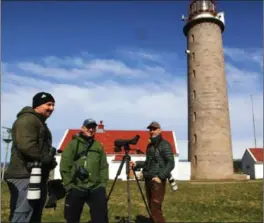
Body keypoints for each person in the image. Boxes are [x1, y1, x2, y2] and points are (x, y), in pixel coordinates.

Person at [4, 92, 57, 223]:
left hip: (36, 174)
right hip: (23, 175)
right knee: (23, 214)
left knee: (34, 214)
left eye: (53, 105)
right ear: (38, 105)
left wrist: (50, 161)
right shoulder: (27, 120)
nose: (52, 108)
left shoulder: (40, 123)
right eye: (48, 104)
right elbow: (26, 145)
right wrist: (44, 158)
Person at [60, 119, 109, 223]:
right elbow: (64, 166)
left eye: (93, 127)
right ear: (82, 128)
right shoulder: (73, 144)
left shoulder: (98, 146)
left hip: (96, 187)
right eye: (88, 127)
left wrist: (103, 184)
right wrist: (69, 185)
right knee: (72, 218)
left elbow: (104, 166)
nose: (91, 130)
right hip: (76, 187)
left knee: (101, 219)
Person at [130, 121, 175, 223]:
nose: (152, 131)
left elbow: (171, 163)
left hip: (157, 180)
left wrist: (160, 177)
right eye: (150, 129)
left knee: (155, 206)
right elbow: (148, 163)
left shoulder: (165, 145)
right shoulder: (150, 146)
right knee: (151, 206)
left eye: (154, 129)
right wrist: (136, 164)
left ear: (159, 130)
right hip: (148, 178)